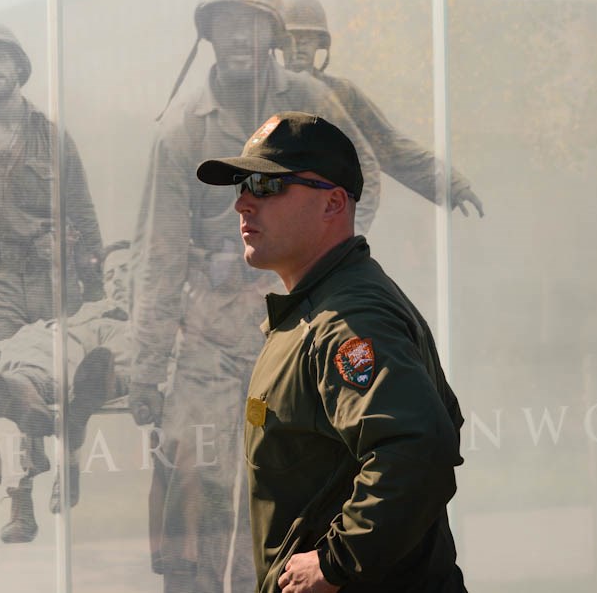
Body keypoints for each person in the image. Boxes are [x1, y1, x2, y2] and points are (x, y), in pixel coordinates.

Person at [129, 0, 382, 593]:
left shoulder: (310, 104)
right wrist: (145, 364)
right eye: (225, 23)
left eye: (251, 23)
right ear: (207, 32)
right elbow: (156, 255)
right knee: (189, 502)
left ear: (271, 32)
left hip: (296, 329)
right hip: (209, 337)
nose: (238, 37)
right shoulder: (183, 131)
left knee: (291, 503)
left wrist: (319, 257)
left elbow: (364, 181)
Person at [197, 111, 468, 593]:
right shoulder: (317, 309)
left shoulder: (347, 319)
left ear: (333, 203)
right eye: (242, 184)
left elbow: (418, 446)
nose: (242, 203)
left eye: (265, 184)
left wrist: (334, 564)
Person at [0, 24, 104, 541]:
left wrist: (95, 284)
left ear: (18, 66)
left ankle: (68, 468)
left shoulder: (52, 135)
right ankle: (21, 502)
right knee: (2, 384)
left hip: (56, 277)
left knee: (65, 381)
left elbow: (82, 208)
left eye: (1, 57)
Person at [0, 241, 133, 536]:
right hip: (60, 352)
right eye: (110, 275)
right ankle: (25, 395)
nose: (117, 281)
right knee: (24, 359)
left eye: (126, 270)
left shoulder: (152, 314)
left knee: (84, 358)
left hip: (99, 352)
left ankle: (45, 393)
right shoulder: (87, 310)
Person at [282, 0, 484, 217]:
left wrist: (450, 184)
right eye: (292, 37)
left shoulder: (342, 95)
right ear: (280, 43)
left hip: (326, 212)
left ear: (320, 44)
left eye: (307, 38)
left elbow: (389, 146)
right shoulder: (262, 91)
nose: (299, 45)